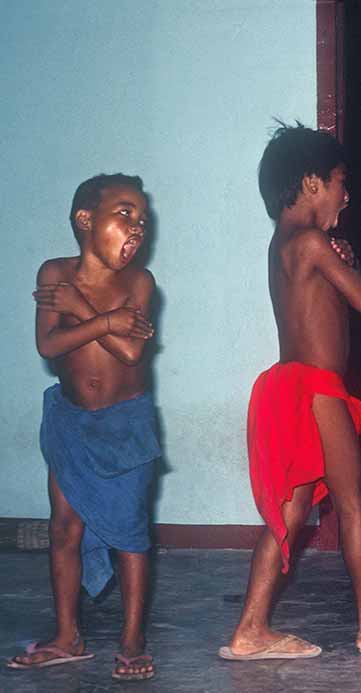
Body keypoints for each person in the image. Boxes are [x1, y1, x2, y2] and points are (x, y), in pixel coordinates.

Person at [219, 124, 361, 661]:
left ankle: (250, 629)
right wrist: (353, 259)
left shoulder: (284, 242)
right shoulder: (314, 242)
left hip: (288, 387)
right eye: (341, 182)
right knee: (354, 502)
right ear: (312, 183)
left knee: (290, 513)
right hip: (318, 389)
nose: (347, 195)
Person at [8, 174, 159, 681]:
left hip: (125, 424)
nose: (137, 225)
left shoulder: (139, 283)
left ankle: (132, 639)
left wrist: (81, 309)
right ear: (86, 220)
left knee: (130, 533)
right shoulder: (54, 272)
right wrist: (105, 321)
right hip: (70, 421)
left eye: (142, 218)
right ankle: (66, 635)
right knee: (63, 527)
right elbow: (48, 346)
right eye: (125, 213)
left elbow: (131, 351)